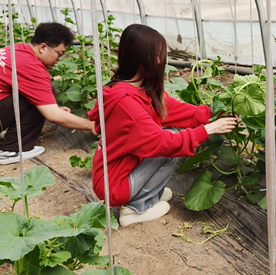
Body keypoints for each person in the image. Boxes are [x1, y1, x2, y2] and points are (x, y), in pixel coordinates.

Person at [88, 24, 238, 227]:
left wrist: (215, 112)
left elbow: (176, 110)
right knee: (169, 144)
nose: (161, 61)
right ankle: (136, 208)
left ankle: (148, 193)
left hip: (121, 170)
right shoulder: (126, 103)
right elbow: (163, 143)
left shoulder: (140, 89)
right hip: (114, 184)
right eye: (157, 55)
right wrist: (209, 129)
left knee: (171, 133)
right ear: (140, 57)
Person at [0, 23, 96, 165]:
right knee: (37, 97)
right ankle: (10, 150)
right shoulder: (31, 66)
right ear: (43, 47)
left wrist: (53, 107)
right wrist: (91, 125)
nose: (60, 59)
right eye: (59, 53)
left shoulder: (17, 50)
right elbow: (53, 116)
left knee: (42, 95)